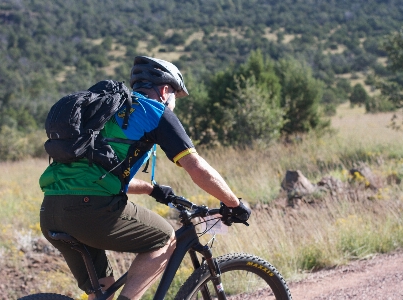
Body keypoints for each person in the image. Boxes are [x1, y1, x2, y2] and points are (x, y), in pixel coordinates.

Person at [39, 56, 251, 300]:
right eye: (175, 97)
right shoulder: (154, 111)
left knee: (103, 291)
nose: (174, 104)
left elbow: (96, 173)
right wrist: (234, 204)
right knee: (164, 237)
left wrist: (152, 189)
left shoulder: (105, 111)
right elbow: (197, 168)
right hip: (90, 209)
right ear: (164, 90)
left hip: (51, 211)